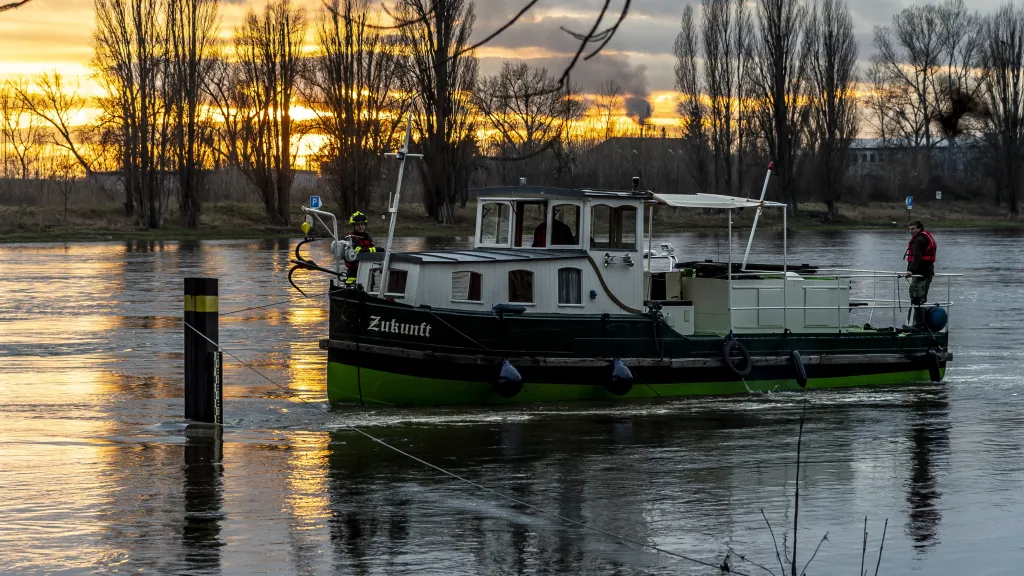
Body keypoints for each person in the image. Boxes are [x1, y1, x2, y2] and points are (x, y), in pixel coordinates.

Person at [903, 219, 936, 328]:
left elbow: (917, 257)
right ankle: (917, 324)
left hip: (921, 274)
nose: (911, 231)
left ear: (919, 228)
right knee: (918, 298)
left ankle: (918, 325)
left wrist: (910, 270)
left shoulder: (919, 241)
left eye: (913, 229)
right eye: (910, 229)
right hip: (926, 272)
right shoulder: (922, 238)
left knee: (917, 298)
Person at [344, 211, 375, 284]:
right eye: (358, 225)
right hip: (354, 275)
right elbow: (359, 251)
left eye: (362, 224)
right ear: (354, 226)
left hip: (369, 273)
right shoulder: (350, 239)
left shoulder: (368, 238)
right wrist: (377, 250)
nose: (361, 226)